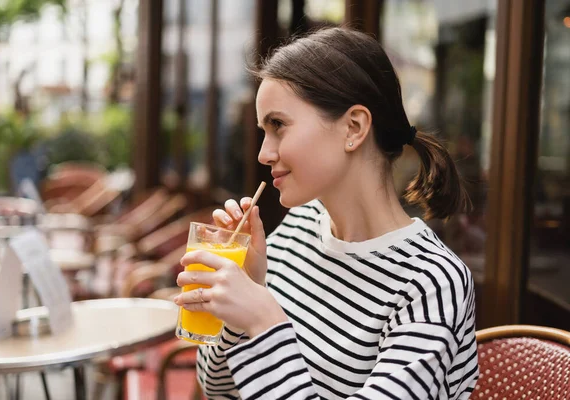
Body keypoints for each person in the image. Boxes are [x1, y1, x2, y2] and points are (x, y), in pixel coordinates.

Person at [174, 27, 478, 400]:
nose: (263, 154)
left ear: (354, 127)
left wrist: (265, 323)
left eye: (278, 126)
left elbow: (265, 346)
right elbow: (217, 387)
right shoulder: (300, 226)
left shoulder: (431, 282)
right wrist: (245, 301)